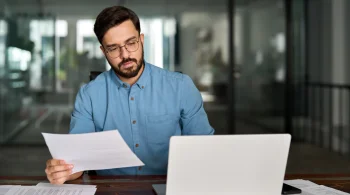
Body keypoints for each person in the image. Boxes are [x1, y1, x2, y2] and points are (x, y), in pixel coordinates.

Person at [45, 5, 214, 184]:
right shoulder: (89, 96)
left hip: (168, 188)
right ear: (103, 51)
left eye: (131, 43)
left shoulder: (181, 87)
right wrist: (63, 171)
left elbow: (203, 150)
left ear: (141, 40)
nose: (125, 55)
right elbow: (75, 163)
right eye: (113, 48)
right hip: (111, 190)